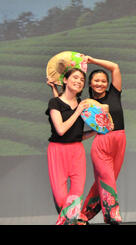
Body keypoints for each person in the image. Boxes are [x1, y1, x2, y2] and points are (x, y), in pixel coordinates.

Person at [80, 56, 127, 224]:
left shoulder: (114, 93)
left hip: (120, 140)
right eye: (96, 81)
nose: (100, 84)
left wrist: (92, 61)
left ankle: (83, 216)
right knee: (107, 179)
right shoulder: (87, 104)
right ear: (90, 84)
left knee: (106, 180)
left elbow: (115, 67)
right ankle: (113, 213)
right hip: (102, 144)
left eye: (103, 81)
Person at [45, 68, 95, 225]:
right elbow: (61, 129)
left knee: (76, 196)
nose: (79, 81)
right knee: (61, 199)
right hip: (58, 151)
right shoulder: (54, 103)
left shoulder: (82, 104)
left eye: (82, 80)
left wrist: (96, 131)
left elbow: (77, 134)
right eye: (75, 77)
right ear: (65, 80)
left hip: (77, 151)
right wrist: (78, 110)